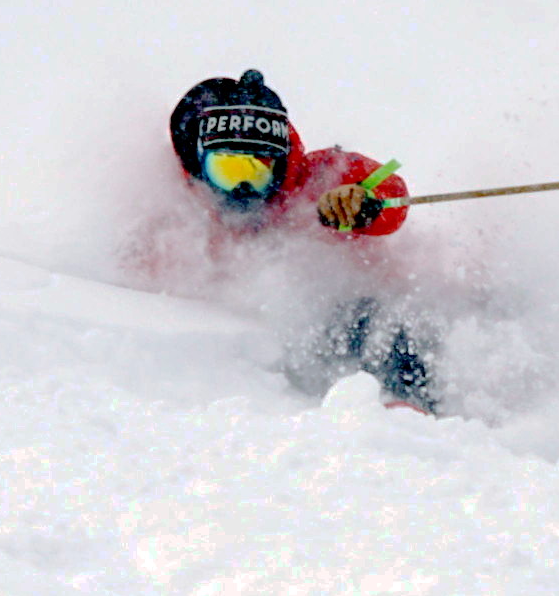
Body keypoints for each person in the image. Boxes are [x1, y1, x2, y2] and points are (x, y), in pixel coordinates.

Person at [161, 68, 440, 414]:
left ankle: (405, 410)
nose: (244, 190)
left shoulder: (317, 179)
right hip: (256, 358)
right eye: (229, 172)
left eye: (257, 173)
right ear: (200, 165)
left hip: (352, 326)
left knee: (372, 320)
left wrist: (363, 201)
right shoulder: (178, 210)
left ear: (279, 164)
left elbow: (389, 190)